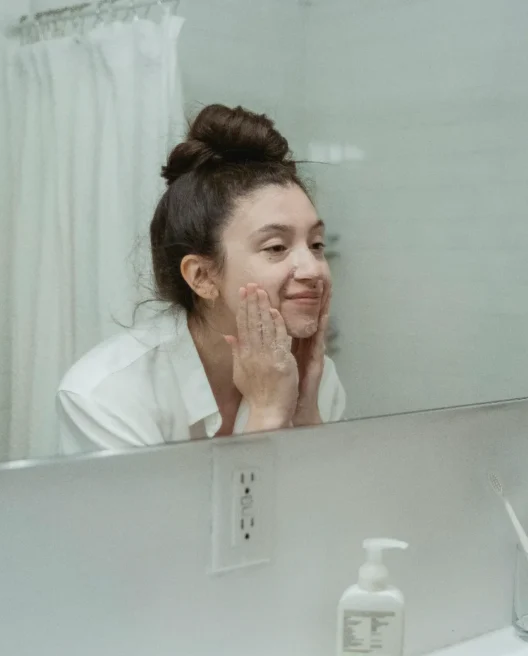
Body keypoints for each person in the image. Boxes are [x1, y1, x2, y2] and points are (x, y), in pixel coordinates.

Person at [57, 105, 345, 455]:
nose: (313, 269)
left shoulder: (312, 375)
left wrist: (305, 413)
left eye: (316, 245)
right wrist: (268, 413)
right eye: (276, 247)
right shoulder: (104, 394)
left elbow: (326, 492)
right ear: (202, 276)